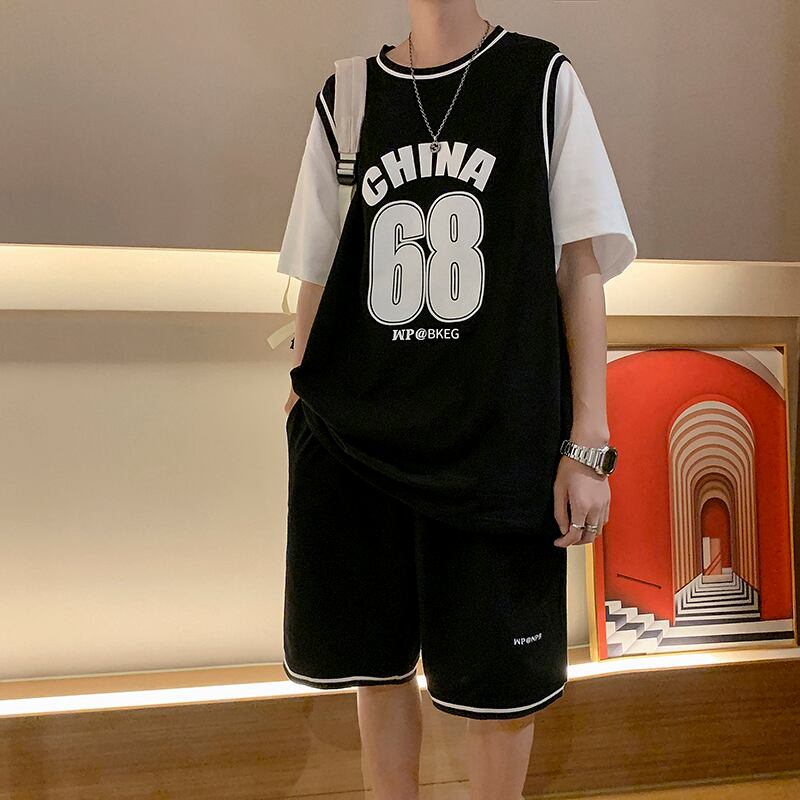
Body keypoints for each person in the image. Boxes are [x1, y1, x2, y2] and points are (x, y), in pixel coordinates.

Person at [276, 2, 636, 798]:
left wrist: (587, 444)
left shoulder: (539, 80)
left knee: (500, 690)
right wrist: (302, 391)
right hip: (359, 438)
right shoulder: (349, 94)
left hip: (495, 442)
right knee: (377, 669)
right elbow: (317, 266)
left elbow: (580, 269)